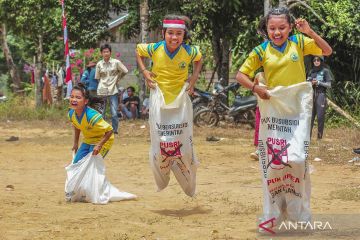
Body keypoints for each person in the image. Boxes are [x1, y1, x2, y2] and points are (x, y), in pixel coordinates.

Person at [236, 6, 332, 224]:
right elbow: (240, 75)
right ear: (266, 29)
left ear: (290, 28)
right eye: (272, 28)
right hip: (273, 114)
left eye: (282, 28)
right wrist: (256, 88)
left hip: (297, 114)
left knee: (298, 160)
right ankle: (275, 212)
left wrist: (310, 32)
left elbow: (326, 51)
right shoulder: (260, 51)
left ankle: (299, 211)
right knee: (274, 164)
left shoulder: (299, 43)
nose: (277, 32)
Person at [135, 14, 202, 196]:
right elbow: (138, 51)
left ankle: (187, 181)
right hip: (159, 99)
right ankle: (162, 177)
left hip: (180, 101)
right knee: (161, 145)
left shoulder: (189, 51)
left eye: (179, 34)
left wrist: (193, 79)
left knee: (184, 146)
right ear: (163, 33)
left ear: (184, 35)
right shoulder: (155, 48)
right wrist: (145, 72)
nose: (174, 37)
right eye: (170, 33)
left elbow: (199, 60)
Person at [68, 83, 114, 164]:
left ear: (85, 101)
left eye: (78, 97)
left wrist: (99, 145)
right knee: (76, 164)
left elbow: (110, 130)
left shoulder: (91, 116)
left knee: (91, 165)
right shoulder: (71, 114)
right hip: (88, 140)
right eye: (72, 97)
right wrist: (75, 143)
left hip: (102, 140)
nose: (74, 100)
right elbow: (77, 126)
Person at [95, 43, 128, 134]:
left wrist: (118, 78)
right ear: (101, 53)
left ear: (110, 52)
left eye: (108, 51)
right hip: (102, 89)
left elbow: (125, 71)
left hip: (113, 89)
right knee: (101, 112)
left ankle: (114, 130)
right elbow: (97, 78)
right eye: (104, 52)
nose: (106, 53)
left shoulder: (116, 62)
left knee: (114, 113)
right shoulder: (99, 64)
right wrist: (101, 87)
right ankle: (102, 130)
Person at [307, 56, 333, 139]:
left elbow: (329, 85)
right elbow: (306, 83)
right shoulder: (311, 71)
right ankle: (308, 136)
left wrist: (318, 82)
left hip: (321, 94)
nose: (316, 61)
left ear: (321, 61)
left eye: (318, 60)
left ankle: (319, 137)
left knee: (320, 116)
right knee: (310, 116)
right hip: (311, 95)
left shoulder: (325, 71)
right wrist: (311, 83)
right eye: (314, 60)